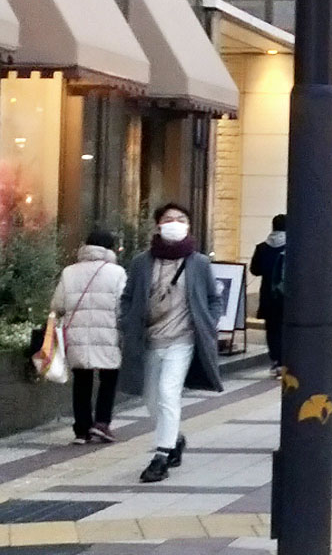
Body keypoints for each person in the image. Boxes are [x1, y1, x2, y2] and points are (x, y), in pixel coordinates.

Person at [119, 203, 223, 483]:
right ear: (158, 226)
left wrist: (209, 323)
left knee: (167, 392)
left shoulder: (198, 263)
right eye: (168, 219)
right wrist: (127, 321)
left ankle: (161, 457)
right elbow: (128, 297)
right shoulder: (142, 262)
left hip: (183, 339)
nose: (174, 223)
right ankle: (174, 439)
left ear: (188, 226)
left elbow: (214, 299)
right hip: (150, 339)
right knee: (151, 398)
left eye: (180, 219)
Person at [52, 230, 128, 445]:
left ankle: (81, 429)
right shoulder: (117, 272)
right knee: (109, 378)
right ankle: (102, 423)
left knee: (82, 381)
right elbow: (122, 307)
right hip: (107, 334)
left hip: (76, 334)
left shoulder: (69, 272)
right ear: (110, 248)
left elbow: (57, 305)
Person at [249, 214, 286, 377]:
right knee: (286, 328)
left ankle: (276, 360)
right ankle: (285, 360)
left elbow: (254, 270)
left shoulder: (262, 247)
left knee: (272, 328)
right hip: (287, 295)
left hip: (268, 295)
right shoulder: (293, 246)